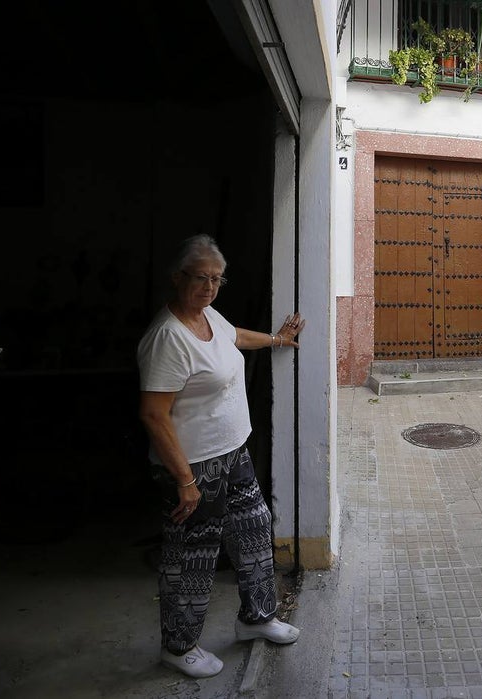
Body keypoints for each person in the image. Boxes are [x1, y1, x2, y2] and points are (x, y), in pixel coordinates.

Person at [137, 234, 305, 678]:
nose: (210, 287)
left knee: (253, 531)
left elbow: (233, 338)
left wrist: (276, 339)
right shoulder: (167, 338)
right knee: (192, 556)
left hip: (234, 453)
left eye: (216, 279)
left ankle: (256, 618)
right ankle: (178, 645)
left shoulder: (208, 315)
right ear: (178, 279)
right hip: (192, 466)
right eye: (201, 278)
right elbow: (154, 415)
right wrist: (184, 481)